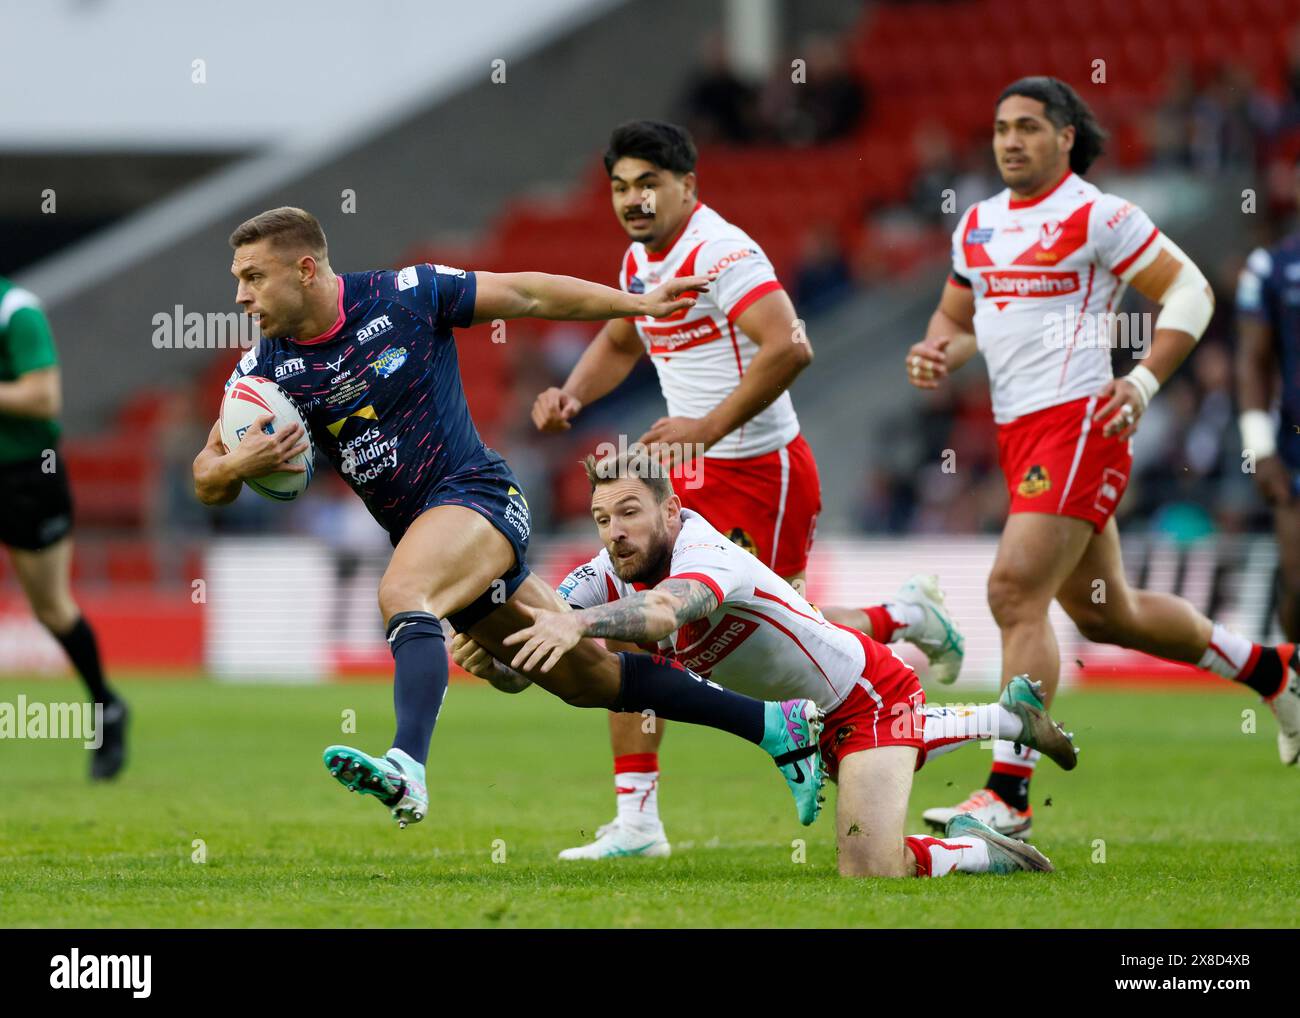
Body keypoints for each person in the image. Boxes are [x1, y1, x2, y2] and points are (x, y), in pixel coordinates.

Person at [193, 207, 829, 830]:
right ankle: (774, 725)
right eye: (238, 280)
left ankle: (406, 764)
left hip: (477, 498)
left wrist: (637, 305)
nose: (241, 296)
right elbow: (207, 478)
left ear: (305, 269)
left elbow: (525, 293)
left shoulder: (406, 294)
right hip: (430, 537)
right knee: (590, 681)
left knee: (403, 593)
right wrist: (232, 466)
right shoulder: (263, 372)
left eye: (252, 277)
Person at [532, 121, 963, 858]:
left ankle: (896, 631)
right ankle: (638, 818)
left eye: (648, 184)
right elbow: (618, 339)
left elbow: (792, 345)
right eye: (620, 187)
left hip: (765, 468)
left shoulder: (723, 251)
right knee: (683, 625)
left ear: (687, 186)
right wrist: (572, 395)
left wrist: (708, 424)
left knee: (746, 630)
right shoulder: (643, 262)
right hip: (698, 469)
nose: (633, 200)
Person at [905, 78, 1300, 840]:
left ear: (1065, 138)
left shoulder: (1100, 215)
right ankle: (1272, 672)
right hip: (1019, 431)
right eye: (1000, 128)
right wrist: (935, 354)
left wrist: (1144, 380)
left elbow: (1189, 292)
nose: (1010, 140)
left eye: (1027, 127)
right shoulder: (979, 227)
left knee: (1014, 590)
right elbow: (958, 322)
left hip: (1084, 420)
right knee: (1106, 613)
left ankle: (1007, 799)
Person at [453, 452, 1079, 878]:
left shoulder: (706, 550)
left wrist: (579, 623)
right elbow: (533, 665)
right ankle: (1010, 719)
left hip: (867, 697)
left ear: (671, 511)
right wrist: (495, 657)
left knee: (869, 869)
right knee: (884, 783)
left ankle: (979, 850)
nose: (614, 532)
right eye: (602, 519)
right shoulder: (605, 574)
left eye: (630, 513)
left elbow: (669, 612)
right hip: (815, 715)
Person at [0, 276, 127, 779]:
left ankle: (107, 708)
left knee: (51, 608)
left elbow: (43, 398)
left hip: (28, 475)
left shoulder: (16, 312)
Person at [1236, 169, 1300, 687]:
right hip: (1294, 445)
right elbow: (1253, 361)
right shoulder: (1272, 267)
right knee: (1299, 584)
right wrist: (1259, 446)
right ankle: (1293, 687)